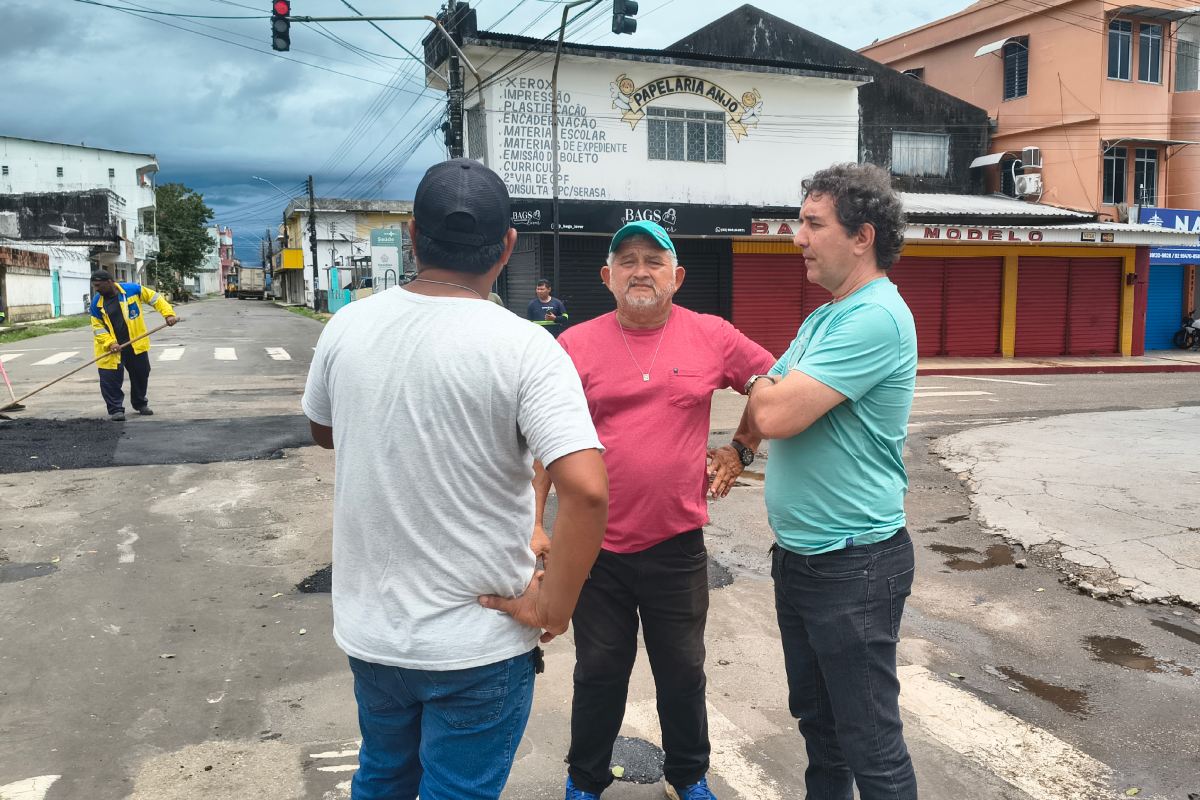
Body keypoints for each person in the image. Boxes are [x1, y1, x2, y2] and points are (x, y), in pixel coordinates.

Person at [301, 158, 609, 800]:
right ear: (507, 246)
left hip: (374, 635)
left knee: (382, 777)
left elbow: (324, 430)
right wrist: (554, 607)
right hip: (480, 642)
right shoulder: (527, 347)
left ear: (413, 236)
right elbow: (585, 488)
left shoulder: (347, 327)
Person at [540, 220, 775, 800]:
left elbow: (772, 382)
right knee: (598, 673)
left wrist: (742, 448)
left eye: (653, 260)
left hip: (676, 545)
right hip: (593, 547)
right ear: (607, 276)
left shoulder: (712, 334)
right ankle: (585, 779)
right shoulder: (573, 345)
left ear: (677, 276)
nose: (640, 270)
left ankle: (688, 777)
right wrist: (532, 524)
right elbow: (542, 439)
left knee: (682, 673)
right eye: (627, 260)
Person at [744, 163, 918, 800]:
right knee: (822, 731)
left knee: (870, 744)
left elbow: (776, 410)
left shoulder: (874, 318)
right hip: (805, 561)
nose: (797, 237)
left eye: (813, 224)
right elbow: (770, 393)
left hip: (855, 566)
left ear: (862, 236)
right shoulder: (827, 317)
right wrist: (751, 420)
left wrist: (759, 384)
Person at [89, 270, 177, 422]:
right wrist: (111, 343)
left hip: (135, 343)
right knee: (110, 380)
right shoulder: (97, 304)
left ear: (109, 282)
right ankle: (116, 409)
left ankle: (140, 403)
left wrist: (168, 314)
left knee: (141, 373)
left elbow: (155, 298)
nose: (96, 289)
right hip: (111, 349)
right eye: (94, 286)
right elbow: (98, 328)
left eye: (98, 285)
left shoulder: (132, 290)